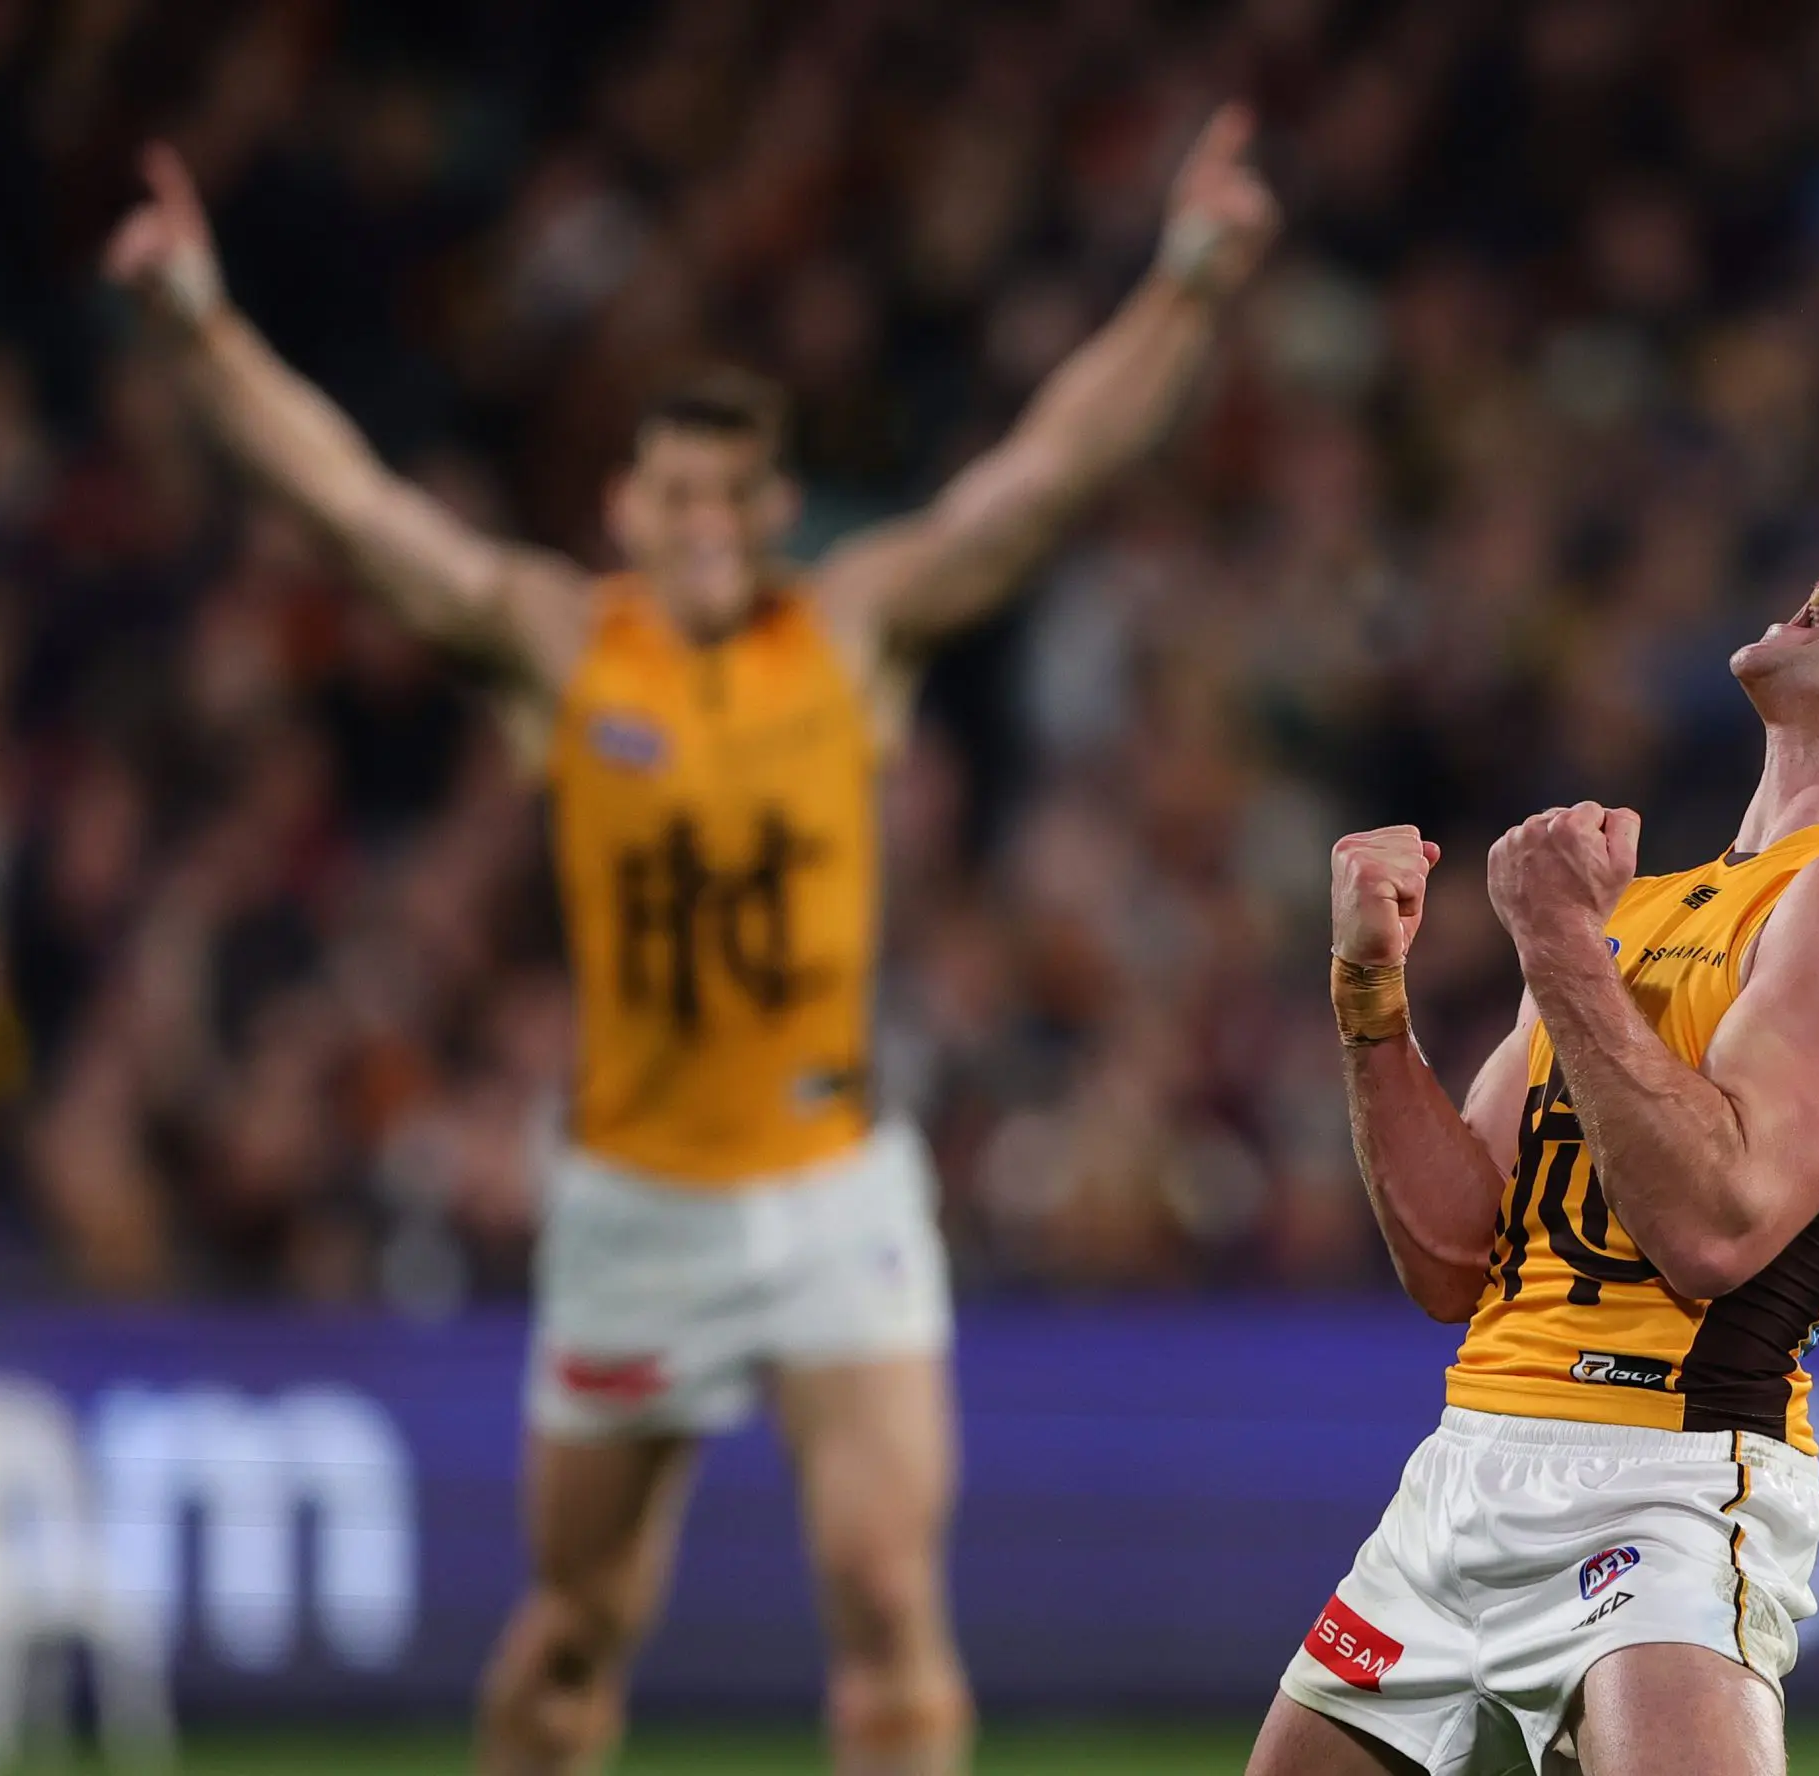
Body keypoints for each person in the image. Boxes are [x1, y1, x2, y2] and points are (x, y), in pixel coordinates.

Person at [104, 108, 1278, 1776]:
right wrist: (199, 324)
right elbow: (353, 507)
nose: (709, 523)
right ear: (624, 506)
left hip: (830, 1186)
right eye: (678, 494)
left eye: (737, 494)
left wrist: (1185, 280)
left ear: (779, 504)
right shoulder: (560, 645)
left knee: (887, 1606)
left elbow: (1051, 468)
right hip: (636, 1203)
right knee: (580, 1626)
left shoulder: (852, 629)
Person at [1258, 533, 1819, 1775]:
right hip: (1464, 1466)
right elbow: (1454, 1260)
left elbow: (1717, 1229)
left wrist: (1556, 948)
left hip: (1662, 1476)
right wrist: (1369, 989)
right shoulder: (1646, 905)